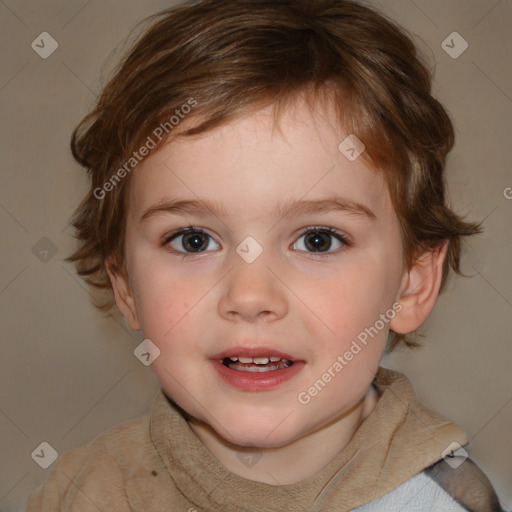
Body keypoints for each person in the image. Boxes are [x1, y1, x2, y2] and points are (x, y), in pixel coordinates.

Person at [23, 0, 504, 510]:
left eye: (318, 239)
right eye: (193, 240)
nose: (250, 297)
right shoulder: (79, 494)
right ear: (124, 284)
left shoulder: (444, 502)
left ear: (413, 280)